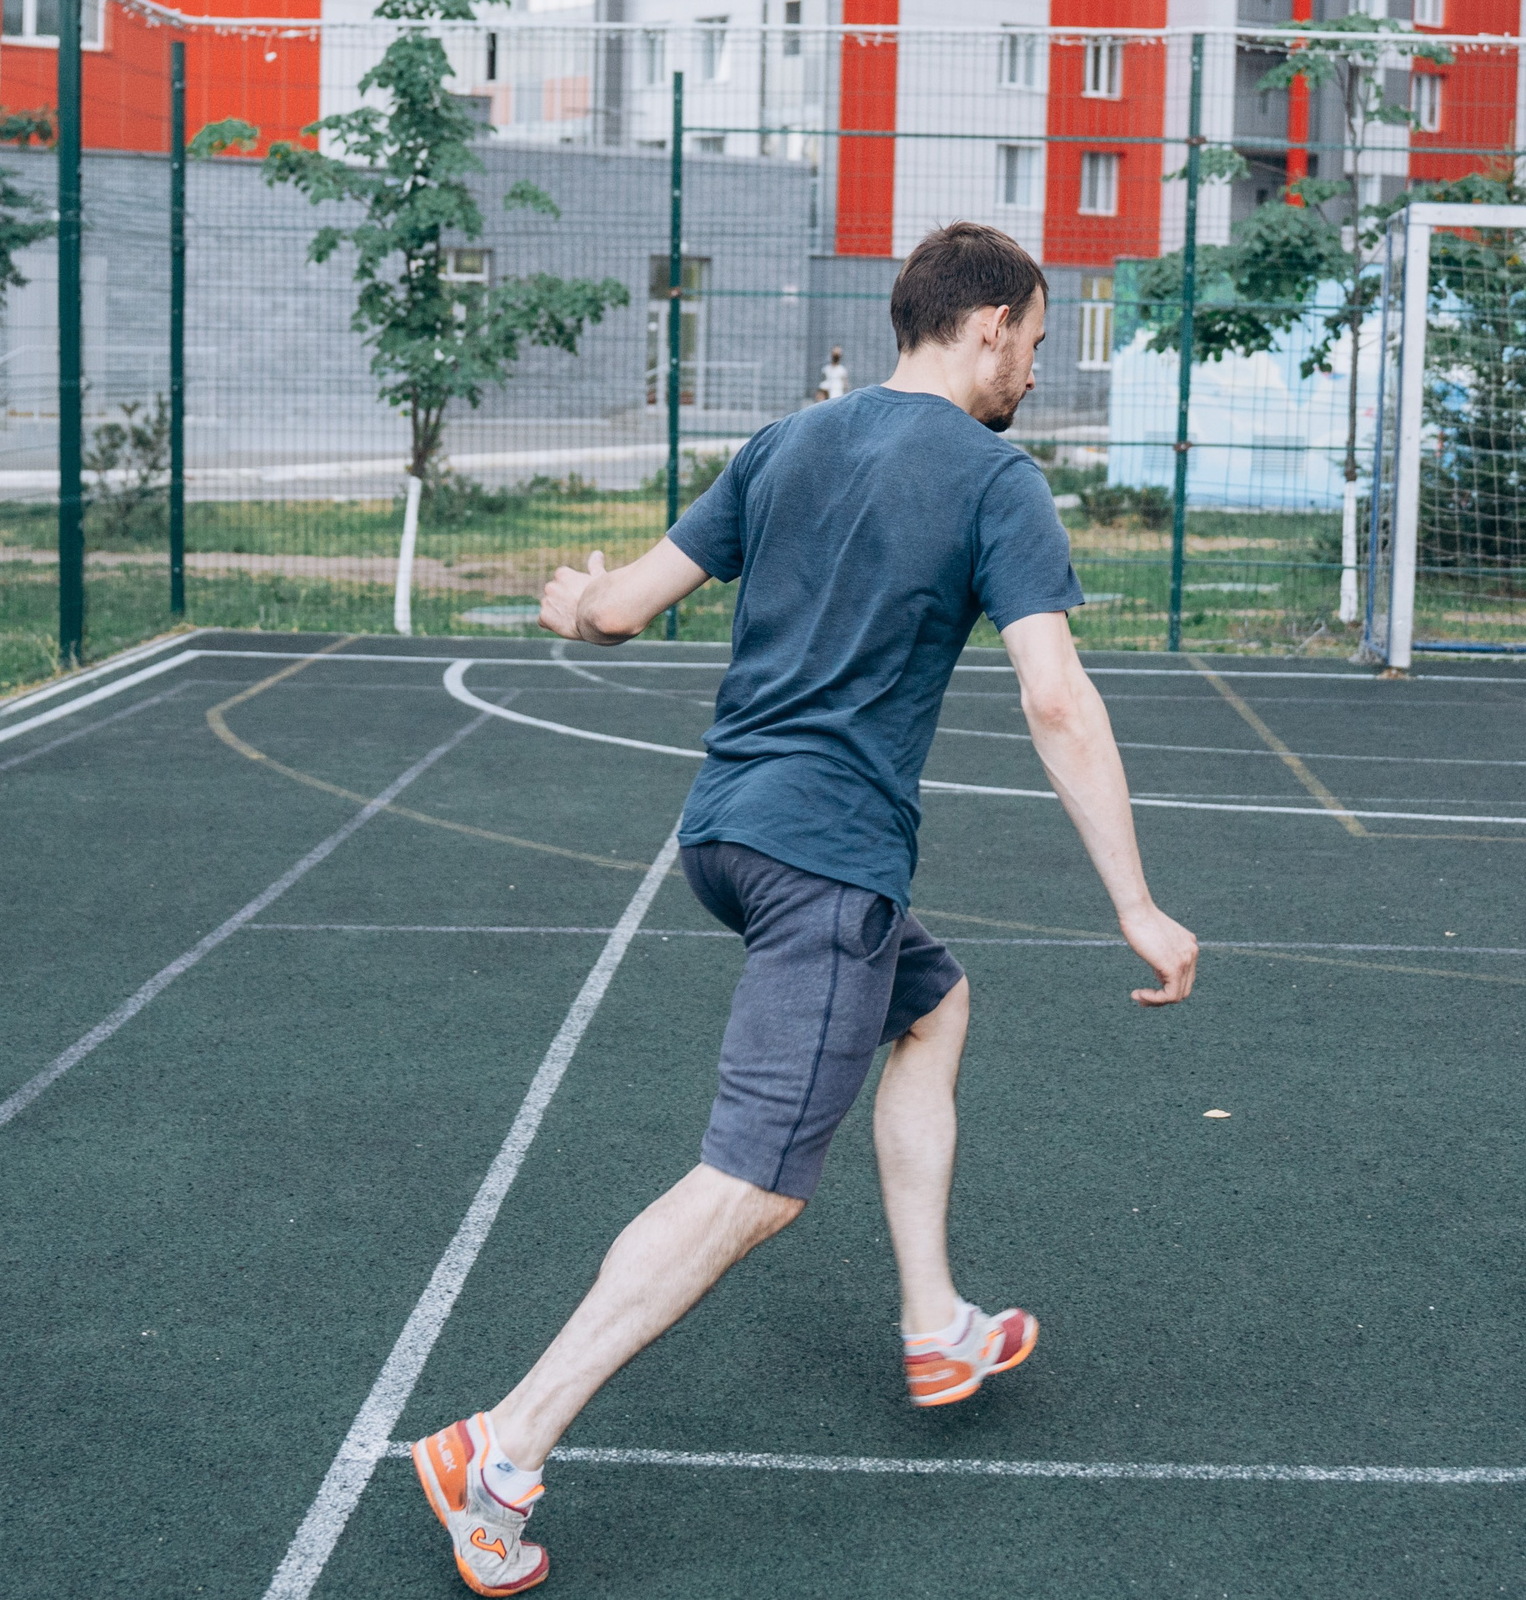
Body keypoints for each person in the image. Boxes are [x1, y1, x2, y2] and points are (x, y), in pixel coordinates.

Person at [413, 223, 1199, 1596]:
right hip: (828, 861)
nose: (1038, 365)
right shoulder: (995, 478)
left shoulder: (787, 441)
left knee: (936, 999)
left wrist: (568, 602)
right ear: (991, 324)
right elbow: (1057, 695)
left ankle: (936, 1321)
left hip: (725, 832)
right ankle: (503, 1442)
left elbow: (620, 611)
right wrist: (1135, 898)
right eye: (1036, 337)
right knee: (753, 1185)